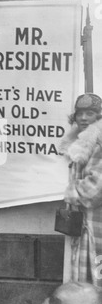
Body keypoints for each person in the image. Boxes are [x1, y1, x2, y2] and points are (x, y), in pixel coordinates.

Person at [59, 93, 102, 288]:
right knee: (83, 280)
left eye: (90, 113)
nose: (83, 118)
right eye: (80, 113)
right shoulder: (78, 143)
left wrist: (73, 191)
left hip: (96, 220)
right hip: (83, 221)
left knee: (96, 273)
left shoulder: (98, 144)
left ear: (99, 116)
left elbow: (96, 187)